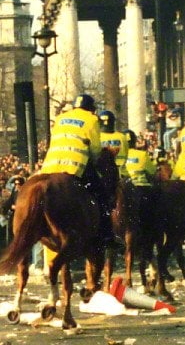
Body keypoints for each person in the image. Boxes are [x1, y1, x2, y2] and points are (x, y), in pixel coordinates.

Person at [40, 93, 112, 244]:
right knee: (101, 194)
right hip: (75, 163)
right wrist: (95, 159)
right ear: (91, 109)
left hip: (50, 164)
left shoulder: (60, 118)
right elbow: (95, 148)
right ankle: (106, 235)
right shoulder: (92, 119)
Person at [98, 110, 129, 178]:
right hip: (122, 175)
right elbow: (126, 154)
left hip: (102, 175)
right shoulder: (122, 137)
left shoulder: (97, 137)